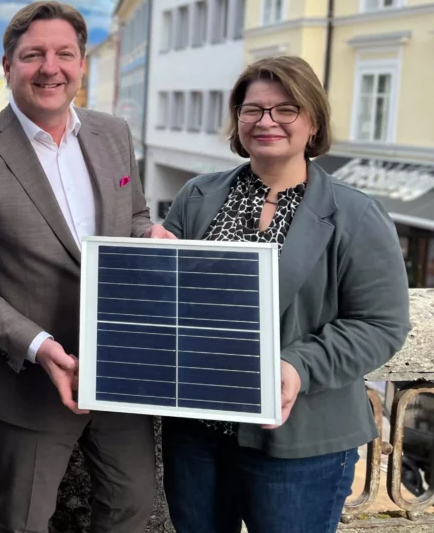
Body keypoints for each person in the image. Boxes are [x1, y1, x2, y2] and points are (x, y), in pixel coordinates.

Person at [0, 0, 175, 533]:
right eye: (33, 55)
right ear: (7, 66)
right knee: (23, 522)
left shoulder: (112, 134)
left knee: (131, 508)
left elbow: (131, 218)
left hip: (117, 368)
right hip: (30, 379)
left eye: (65, 54)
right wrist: (39, 347)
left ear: (81, 64)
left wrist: (148, 235)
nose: (50, 67)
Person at [160, 55, 411, 533]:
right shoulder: (196, 197)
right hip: (197, 432)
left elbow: (382, 325)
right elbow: (170, 304)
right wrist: (151, 269)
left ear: (312, 120)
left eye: (285, 109)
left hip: (300, 443)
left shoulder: (356, 215)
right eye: (252, 109)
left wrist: (298, 365)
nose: (266, 121)